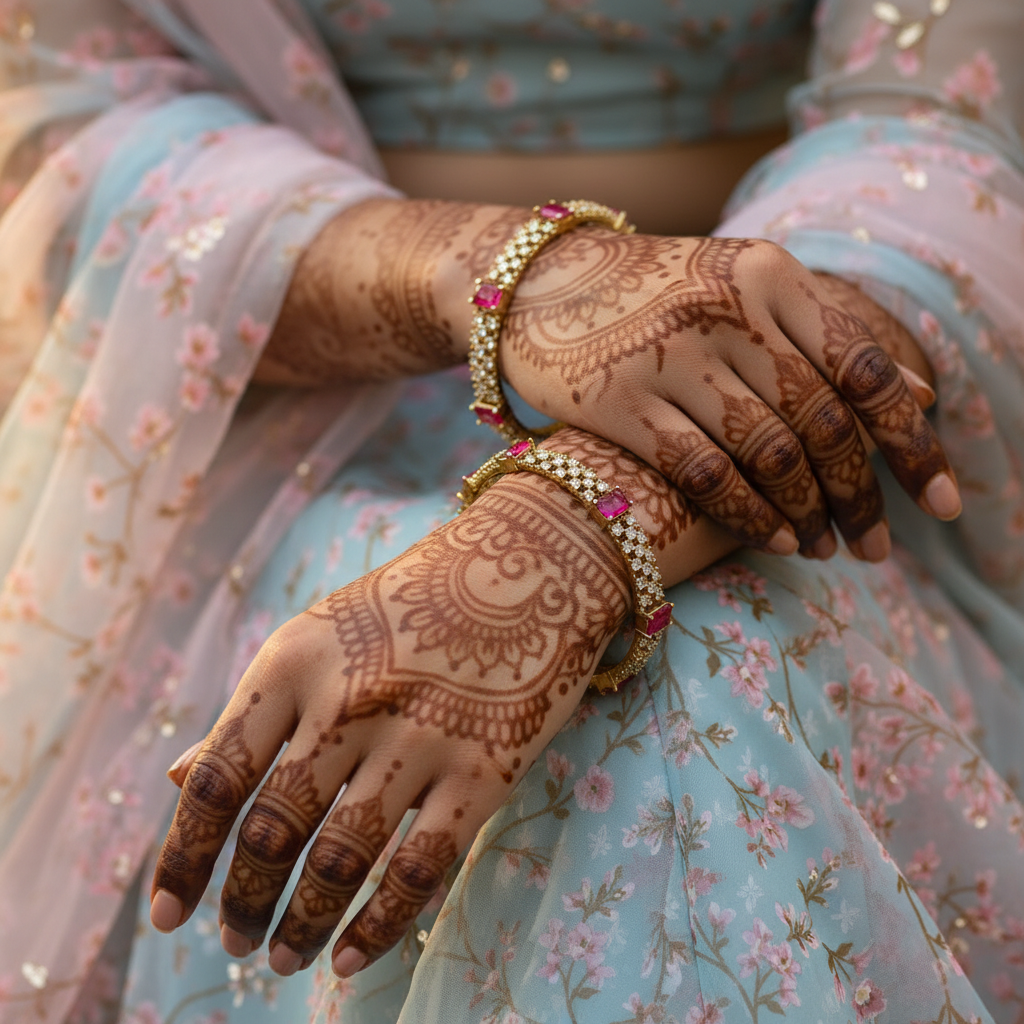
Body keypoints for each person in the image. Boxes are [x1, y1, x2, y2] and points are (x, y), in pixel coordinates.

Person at [0, 1, 1023, 1022]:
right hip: (319, 393)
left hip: (803, 336)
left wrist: (574, 523)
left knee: (689, 659)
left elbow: (935, 138)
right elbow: (74, 139)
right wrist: (518, 275)